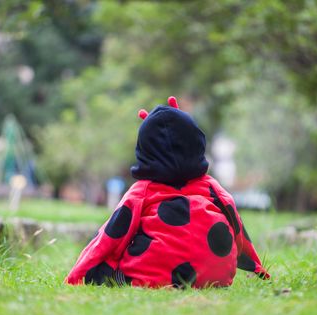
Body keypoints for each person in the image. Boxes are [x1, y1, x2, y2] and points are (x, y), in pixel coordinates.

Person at [65, 97, 270, 288]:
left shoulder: (142, 191)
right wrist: (256, 266)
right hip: (218, 277)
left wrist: (77, 273)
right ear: (197, 142)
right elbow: (235, 222)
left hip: (155, 277)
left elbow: (111, 234)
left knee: (101, 273)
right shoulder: (211, 186)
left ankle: (133, 275)